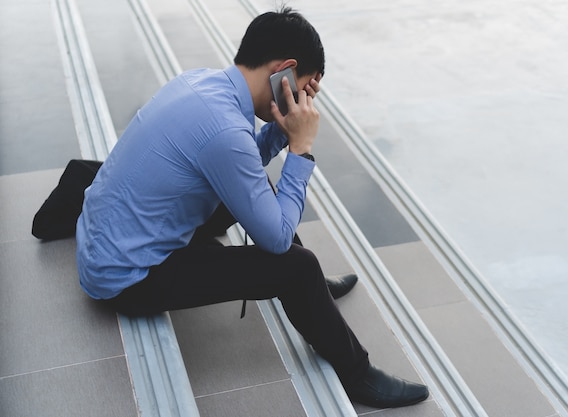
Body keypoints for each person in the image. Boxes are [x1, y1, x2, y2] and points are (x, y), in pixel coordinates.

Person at [76, 7, 429, 409]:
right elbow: (276, 240)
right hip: (126, 277)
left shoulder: (202, 83)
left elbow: (237, 163)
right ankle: (359, 376)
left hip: (106, 239)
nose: (303, 98)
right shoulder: (225, 129)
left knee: (258, 192)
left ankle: (314, 294)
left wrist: (280, 130)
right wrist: (301, 148)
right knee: (296, 267)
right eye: (304, 86)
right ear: (286, 69)